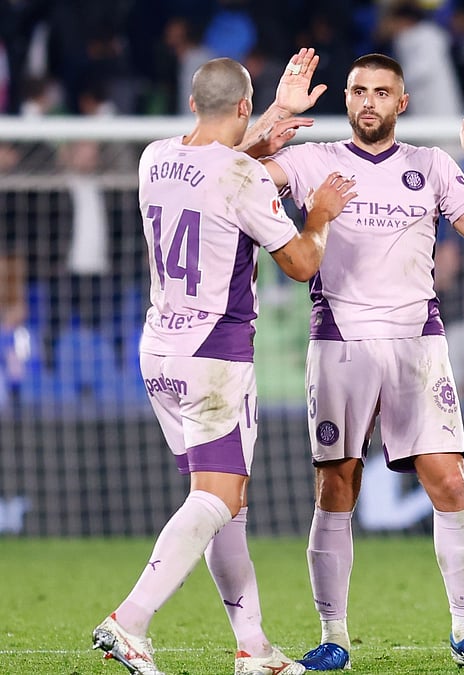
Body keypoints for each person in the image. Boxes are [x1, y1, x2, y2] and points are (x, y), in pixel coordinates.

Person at [91, 50, 356, 675]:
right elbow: (299, 263)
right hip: (214, 352)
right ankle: (129, 620)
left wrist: (273, 119)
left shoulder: (154, 157)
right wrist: (319, 213)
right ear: (243, 106)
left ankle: (253, 646)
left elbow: (223, 166)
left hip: (159, 349)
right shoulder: (243, 175)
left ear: (191, 104)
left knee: (225, 502)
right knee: (217, 496)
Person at [259, 53, 464, 671]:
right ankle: (333, 638)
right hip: (340, 341)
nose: (369, 102)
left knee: (451, 482)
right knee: (337, 486)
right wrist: (275, 115)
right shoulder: (312, 160)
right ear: (347, 101)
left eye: (382, 92)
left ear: (401, 103)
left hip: (417, 342)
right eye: (358, 91)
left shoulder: (430, 165)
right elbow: (232, 180)